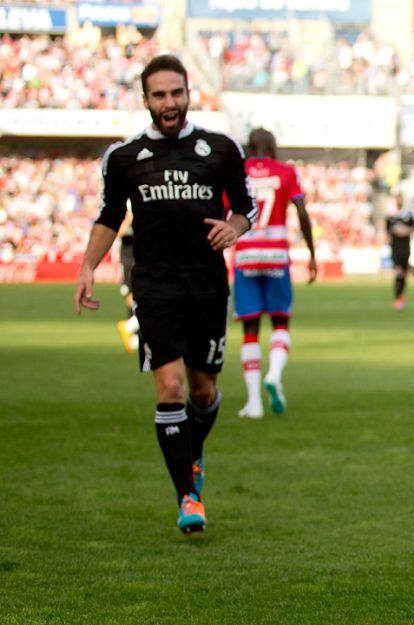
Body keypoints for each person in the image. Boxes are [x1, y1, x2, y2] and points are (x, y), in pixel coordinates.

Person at [74, 54, 258, 535]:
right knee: (171, 388)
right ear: (146, 99)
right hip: (154, 289)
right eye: (159, 95)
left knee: (204, 390)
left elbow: (245, 207)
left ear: (188, 93)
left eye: (176, 92)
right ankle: (188, 497)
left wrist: (234, 228)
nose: (169, 103)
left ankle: (191, 455)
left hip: (208, 287)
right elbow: (109, 217)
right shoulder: (124, 158)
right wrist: (87, 266)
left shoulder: (220, 148)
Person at [233, 127, 317, 418]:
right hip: (276, 255)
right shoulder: (285, 172)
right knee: (281, 322)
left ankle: (254, 402)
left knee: (250, 330)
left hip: (245, 255)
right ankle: (275, 375)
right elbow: (302, 211)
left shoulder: (237, 171)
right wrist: (312, 253)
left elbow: (221, 214)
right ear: (272, 146)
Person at [385, 187, 414, 310]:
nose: (399, 201)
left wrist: (406, 231)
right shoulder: (391, 217)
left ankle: (401, 296)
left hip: (405, 247)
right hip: (395, 248)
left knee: (404, 273)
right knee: (398, 272)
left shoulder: (408, 216)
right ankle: (398, 298)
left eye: (400, 198)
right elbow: (387, 232)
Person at [116, 212, 140, 354]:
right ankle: (130, 327)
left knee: (135, 301)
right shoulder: (126, 225)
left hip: (137, 265)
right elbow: (119, 233)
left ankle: (133, 333)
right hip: (130, 268)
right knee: (132, 300)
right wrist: (129, 219)